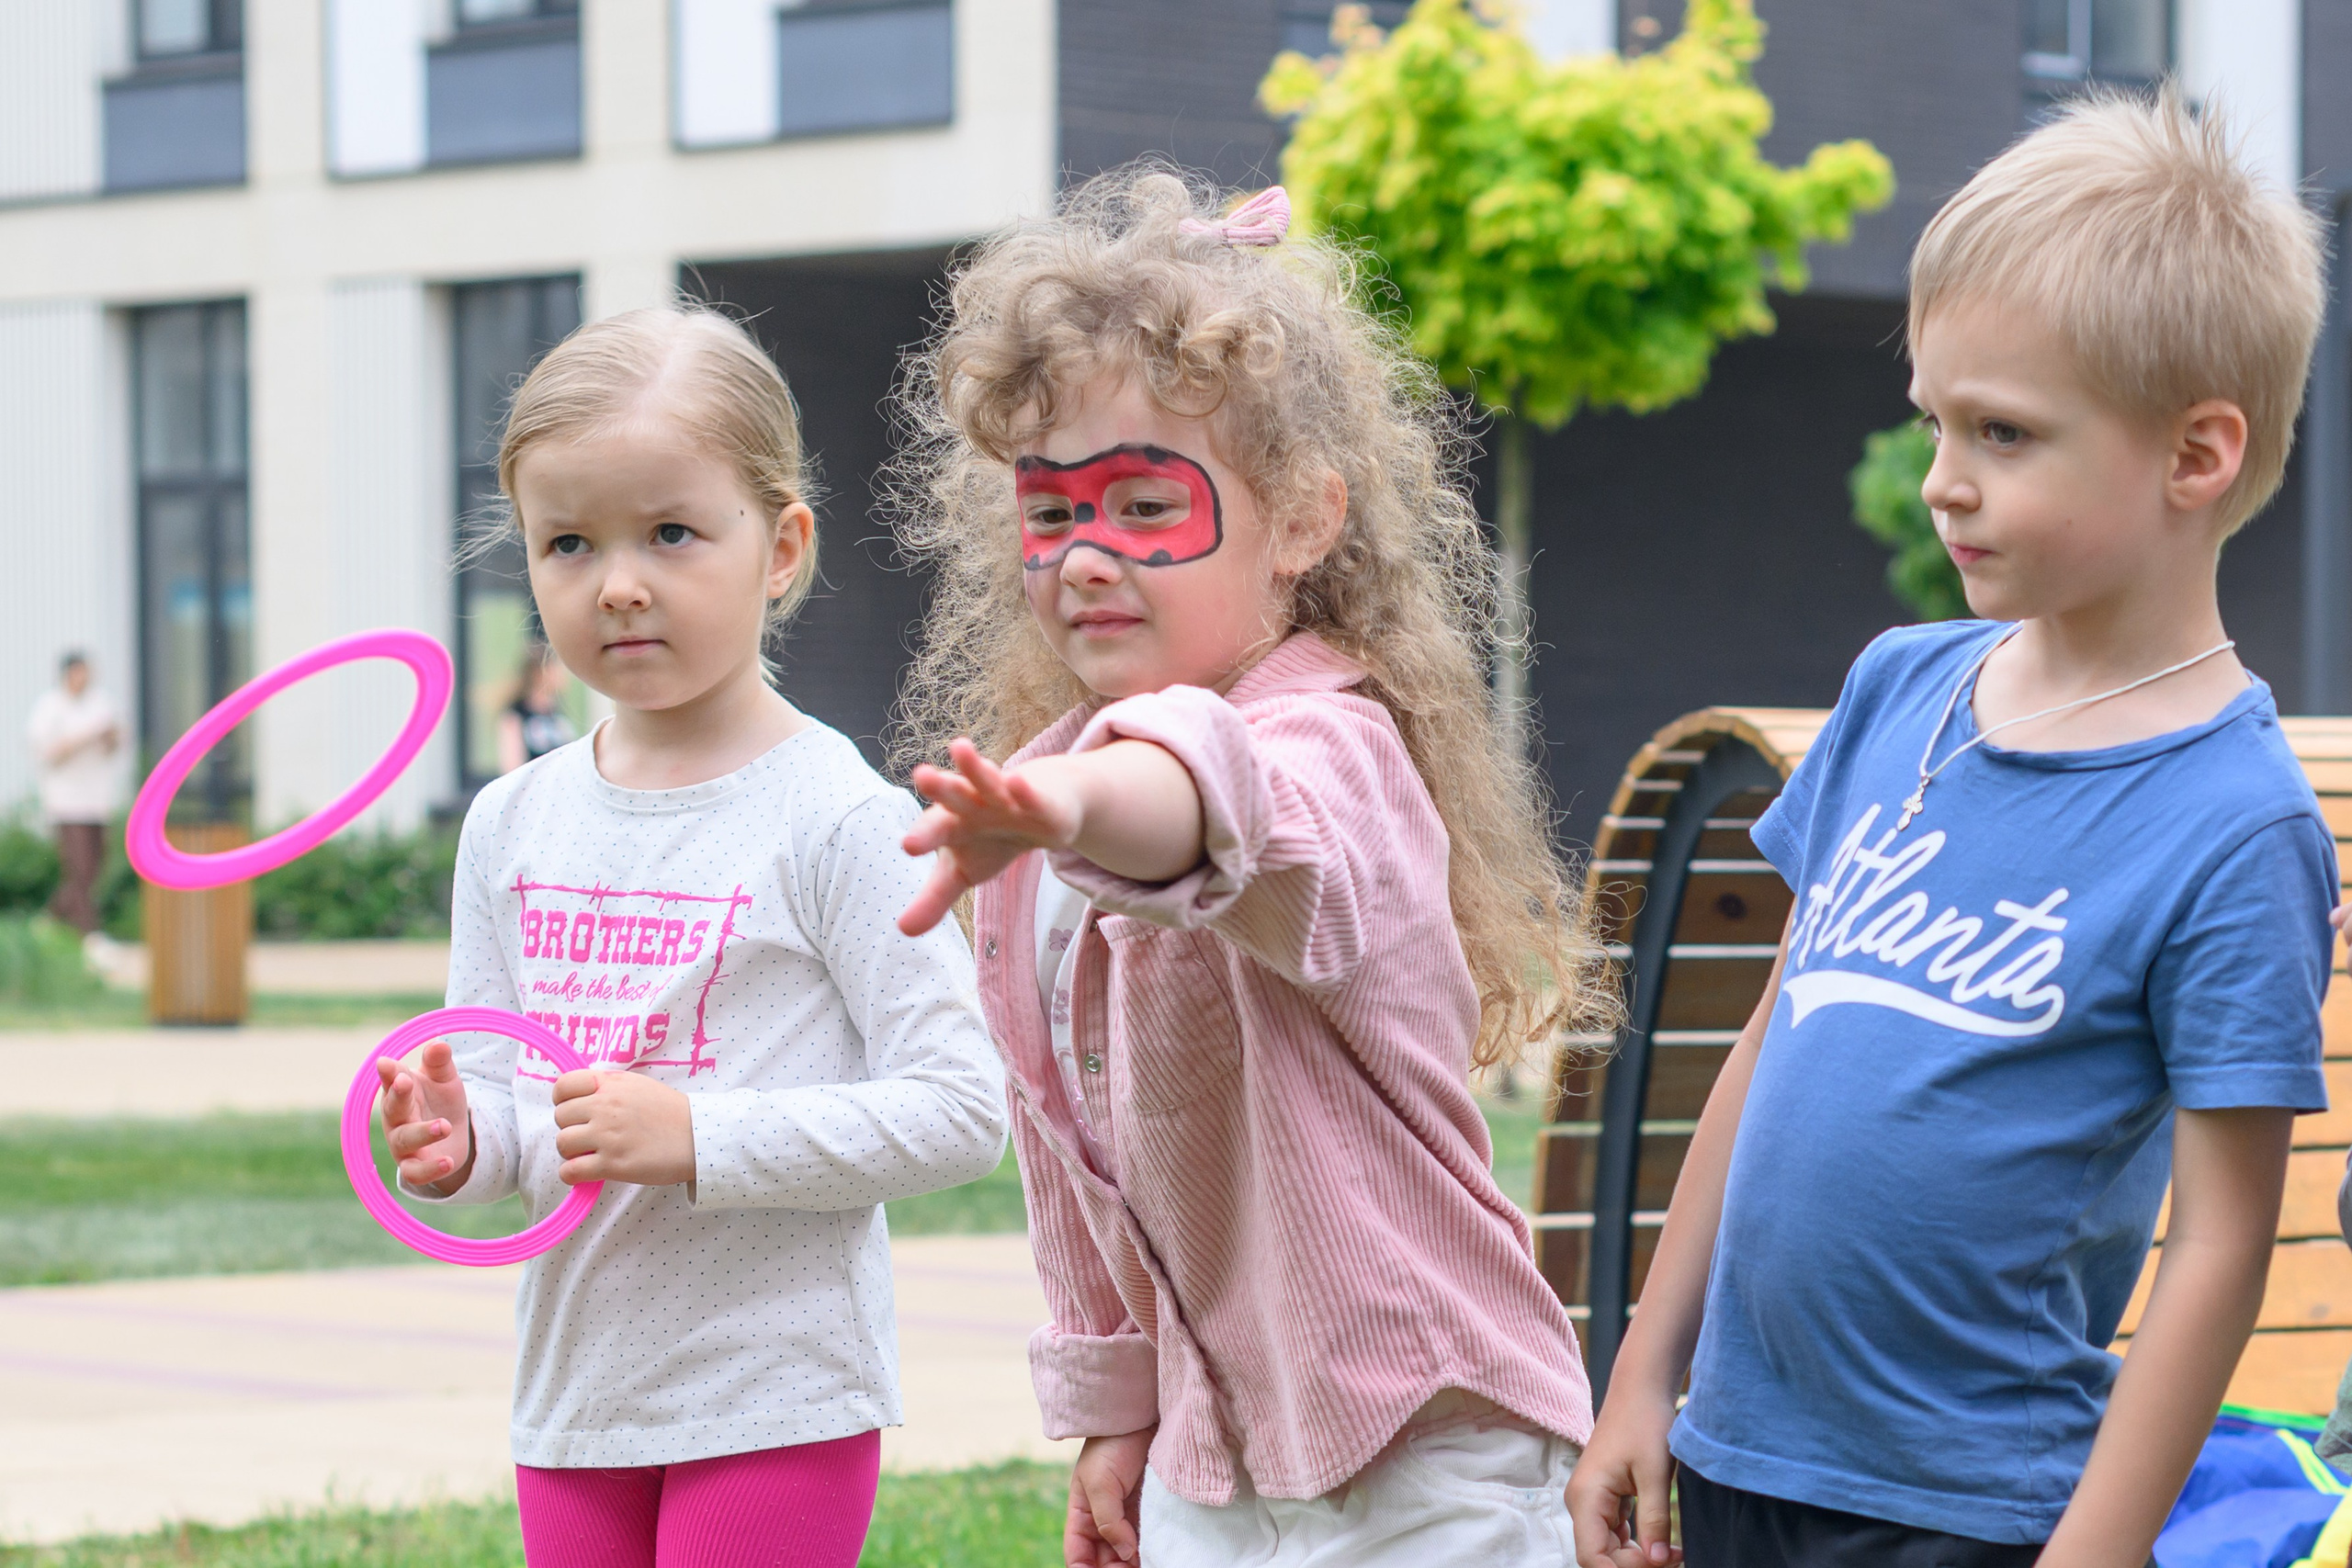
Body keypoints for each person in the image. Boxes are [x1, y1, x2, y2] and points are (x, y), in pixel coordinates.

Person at [1569, 90, 2334, 1568]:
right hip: (1734, 1459)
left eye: (2003, 432)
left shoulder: (2235, 821)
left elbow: (2224, 1241)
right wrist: (1642, 1373)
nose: (1942, 480)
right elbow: (1774, 1034)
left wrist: (2094, 1550)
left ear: (2197, 456)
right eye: (1933, 418)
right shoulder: (1899, 687)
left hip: (1970, 1512)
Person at [890, 171, 1619, 1568]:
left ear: (1300, 519)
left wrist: (1060, 803)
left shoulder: (1334, 746)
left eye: (1145, 502)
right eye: (1050, 515)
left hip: (1427, 1439)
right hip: (1211, 1445)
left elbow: (1214, 799)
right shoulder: (1042, 803)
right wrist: (1118, 1403)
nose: (1087, 552)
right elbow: (1069, 1156)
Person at [373, 305, 1008, 1568]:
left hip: (775, 1393)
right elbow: (516, 1114)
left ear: (780, 546)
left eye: (671, 531)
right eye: (568, 541)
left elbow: (959, 1109)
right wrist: (462, 1141)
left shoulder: (837, 817)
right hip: (574, 1394)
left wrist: (694, 1135)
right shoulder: (509, 822)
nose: (618, 580)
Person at [26, 650, 121, 941]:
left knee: (94, 870)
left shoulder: (101, 702)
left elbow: (114, 746)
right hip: (66, 802)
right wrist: (86, 735)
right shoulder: (49, 706)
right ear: (68, 674)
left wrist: (108, 736)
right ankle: (90, 934)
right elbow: (49, 753)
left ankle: (48, 920)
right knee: (79, 869)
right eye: (80, 672)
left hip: (97, 800)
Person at [498, 641, 580, 773]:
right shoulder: (516, 716)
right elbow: (512, 768)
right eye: (556, 668)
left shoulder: (557, 715)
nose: (563, 674)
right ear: (540, 673)